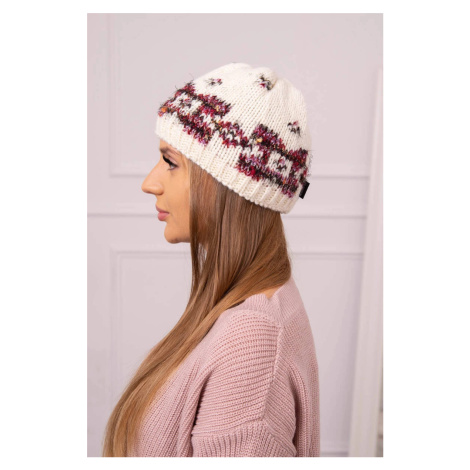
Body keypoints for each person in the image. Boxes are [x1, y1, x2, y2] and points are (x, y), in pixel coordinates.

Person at [102, 63, 320, 457]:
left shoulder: (253, 343)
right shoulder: (253, 309)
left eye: (171, 162)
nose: (150, 183)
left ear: (226, 184)